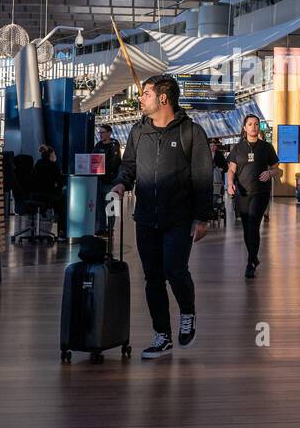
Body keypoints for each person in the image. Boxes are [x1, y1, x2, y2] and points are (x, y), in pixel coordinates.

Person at [111, 75, 213, 359]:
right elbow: (128, 165)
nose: (140, 99)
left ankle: (188, 313)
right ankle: (162, 335)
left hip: (179, 218)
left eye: (145, 94)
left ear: (163, 99)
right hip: (145, 218)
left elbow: (203, 177)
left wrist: (202, 218)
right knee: (153, 278)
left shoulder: (191, 132)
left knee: (175, 270)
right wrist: (121, 183)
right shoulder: (138, 131)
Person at [226, 115, 281, 278]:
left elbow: (277, 168)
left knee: (253, 225)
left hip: (261, 192)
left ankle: (250, 262)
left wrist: (270, 172)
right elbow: (232, 170)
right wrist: (230, 184)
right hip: (242, 193)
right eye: (250, 124)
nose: (254, 127)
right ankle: (253, 256)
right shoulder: (237, 148)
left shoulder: (266, 147)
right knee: (246, 227)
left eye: (256, 124)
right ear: (244, 128)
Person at [33, 144, 67, 239]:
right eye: (54, 154)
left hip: (35, 196)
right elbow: (60, 182)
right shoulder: (53, 167)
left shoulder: (37, 164)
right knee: (63, 202)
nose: (56, 156)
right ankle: (61, 232)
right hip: (48, 196)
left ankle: (49, 214)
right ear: (51, 155)